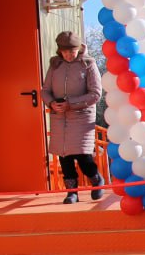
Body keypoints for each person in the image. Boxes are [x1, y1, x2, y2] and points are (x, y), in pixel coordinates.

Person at [41, 31, 104, 204]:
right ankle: (72, 191)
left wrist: (72, 103)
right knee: (64, 155)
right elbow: (45, 90)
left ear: (79, 49)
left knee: (83, 155)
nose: (69, 54)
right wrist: (52, 103)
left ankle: (96, 180)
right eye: (66, 51)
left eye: (72, 51)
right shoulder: (55, 65)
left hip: (81, 116)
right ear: (60, 50)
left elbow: (95, 93)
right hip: (60, 117)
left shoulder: (88, 64)